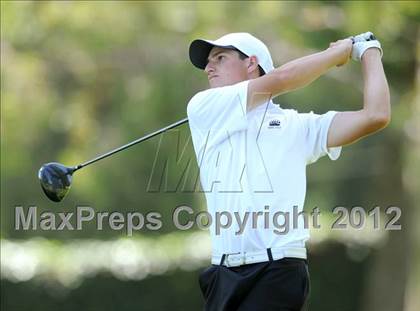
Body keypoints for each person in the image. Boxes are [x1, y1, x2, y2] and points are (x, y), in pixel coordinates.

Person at [186, 32, 390, 311]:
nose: (209, 67)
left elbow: (375, 116)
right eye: (209, 62)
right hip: (222, 275)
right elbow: (282, 79)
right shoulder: (203, 107)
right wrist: (337, 54)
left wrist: (369, 51)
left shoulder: (298, 126)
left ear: (251, 64)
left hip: (277, 270)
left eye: (220, 58)